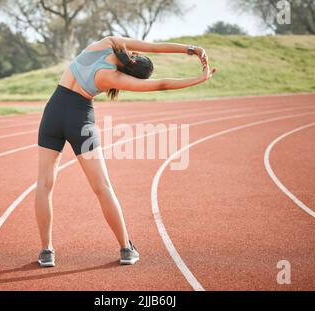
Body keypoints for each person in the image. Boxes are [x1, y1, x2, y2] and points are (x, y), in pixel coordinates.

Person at [36, 35, 215, 267]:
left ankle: (46, 251)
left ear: (135, 55)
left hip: (52, 112)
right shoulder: (114, 77)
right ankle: (126, 248)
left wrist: (191, 49)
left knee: (44, 184)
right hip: (80, 120)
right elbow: (161, 84)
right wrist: (199, 79)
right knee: (102, 187)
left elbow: (154, 46)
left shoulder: (108, 42)